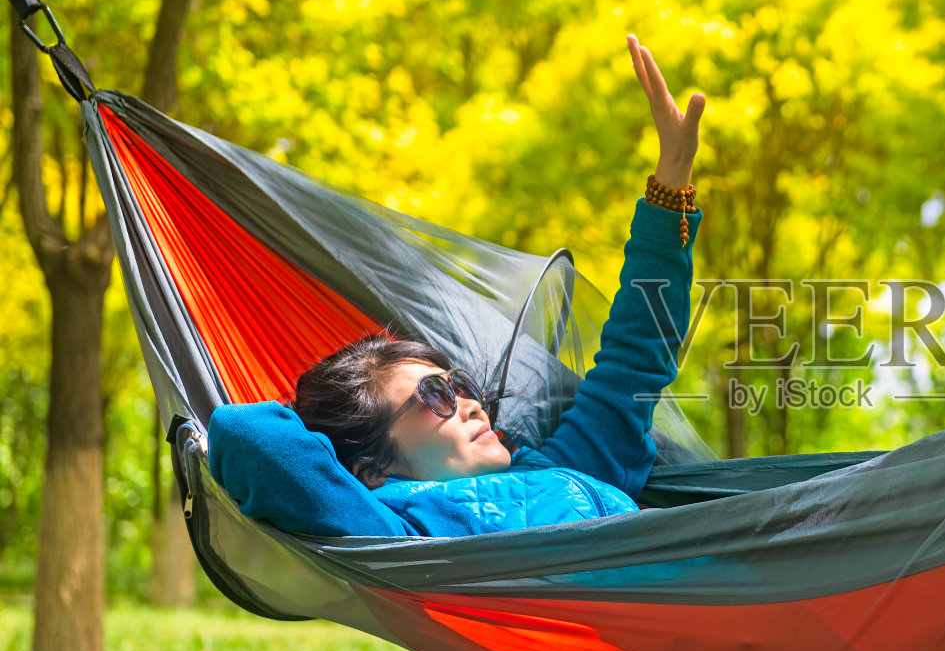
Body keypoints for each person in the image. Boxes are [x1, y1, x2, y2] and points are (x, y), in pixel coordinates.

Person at [206, 33, 706, 538]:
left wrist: (671, 184)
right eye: (434, 396)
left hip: (718, 576)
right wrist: (329, 430)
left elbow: (633, 359)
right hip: (683, 594)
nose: (469, 403)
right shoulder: (401, 531)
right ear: (374, 469)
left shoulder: (565, 463)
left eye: (459, 386)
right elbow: (245, 434)